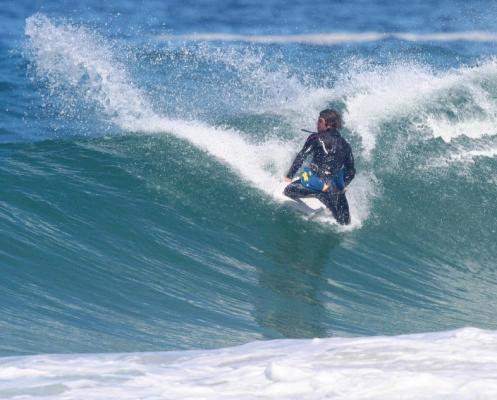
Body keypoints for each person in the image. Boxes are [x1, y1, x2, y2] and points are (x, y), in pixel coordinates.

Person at [283, 109, 355, 225]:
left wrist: (289, 176)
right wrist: (343, 185)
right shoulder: (346, 145)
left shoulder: (315, 138)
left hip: (317, 184)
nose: (317, 124)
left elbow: (302, 156)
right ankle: (328, 200)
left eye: (318, 121)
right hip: (335, 189)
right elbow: (351, 172)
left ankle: (319, 195)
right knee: (345, 224)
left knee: (288, 191)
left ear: (324, 122)